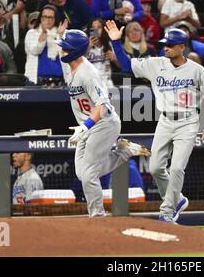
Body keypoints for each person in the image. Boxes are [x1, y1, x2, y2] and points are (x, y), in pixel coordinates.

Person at [105, 20, 204, 223]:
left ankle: (167, 211)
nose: (165, 47)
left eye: (170, 45)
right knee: (155, 168)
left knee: (176, 168)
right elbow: (126, 64)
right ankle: (178, 198)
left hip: (188, 121)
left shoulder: (195, 69)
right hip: (165, 121)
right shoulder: (155, 64)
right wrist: (116, 42)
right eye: (164, 44)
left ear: (182, 47)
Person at [55, 29, 151, 217]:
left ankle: (97, 216)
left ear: (74, 52)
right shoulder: (69, 64)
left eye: (65, 49)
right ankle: (125, 151)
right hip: (89, 124)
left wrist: (85, 126)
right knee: (83, 174)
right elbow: (64, 48)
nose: (61, 51)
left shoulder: (89, 73)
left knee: (89, 175)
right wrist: (61, 33)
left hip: (103, 124)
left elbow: (103, 107)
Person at [24, 5, 68, 86]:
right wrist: (44, 33)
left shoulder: (62, 33)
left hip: (60, 82)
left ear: (55, 19)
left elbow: (68, 56)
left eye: (50, 17)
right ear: (41, 18)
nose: (48, 20)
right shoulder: (32, 33)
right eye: (45, 17)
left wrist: (61, 36)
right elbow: (35, 50)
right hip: (36, 82)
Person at [86, 17, 117, 87]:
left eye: (99, 27)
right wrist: (88, 47)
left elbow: (121, 65)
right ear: (89, 30)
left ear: (103, 29)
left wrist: (114, 58)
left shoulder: (109, 44)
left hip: (107, 81)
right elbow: (77, 63)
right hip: (90, 82)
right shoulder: (84, 45)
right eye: (93, 28)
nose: (96, 30)